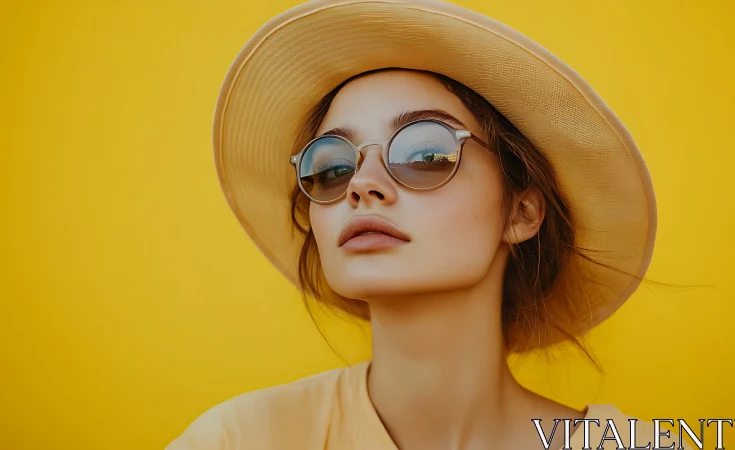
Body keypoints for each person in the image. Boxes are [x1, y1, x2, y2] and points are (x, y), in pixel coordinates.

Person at [167, 0, 682, 449]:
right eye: (331, 166)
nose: (361, 185)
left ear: (522, 212)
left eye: (424, 152)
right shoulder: (238, 440)